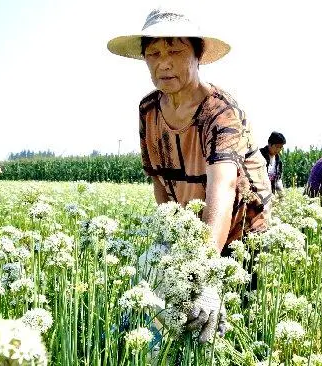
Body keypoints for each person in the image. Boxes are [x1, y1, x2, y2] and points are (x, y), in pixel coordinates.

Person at [107, 8, 272, 343]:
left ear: (198, 55)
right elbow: (159, 181)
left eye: (175, 51)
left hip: (241, 229)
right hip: (191, 226)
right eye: (153, 54)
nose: (163, 63)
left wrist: (206, 270)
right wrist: (170, 241)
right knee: (164, 315)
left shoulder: (220, 111)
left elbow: (223, 188)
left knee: (228, 326)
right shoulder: (148, 109)